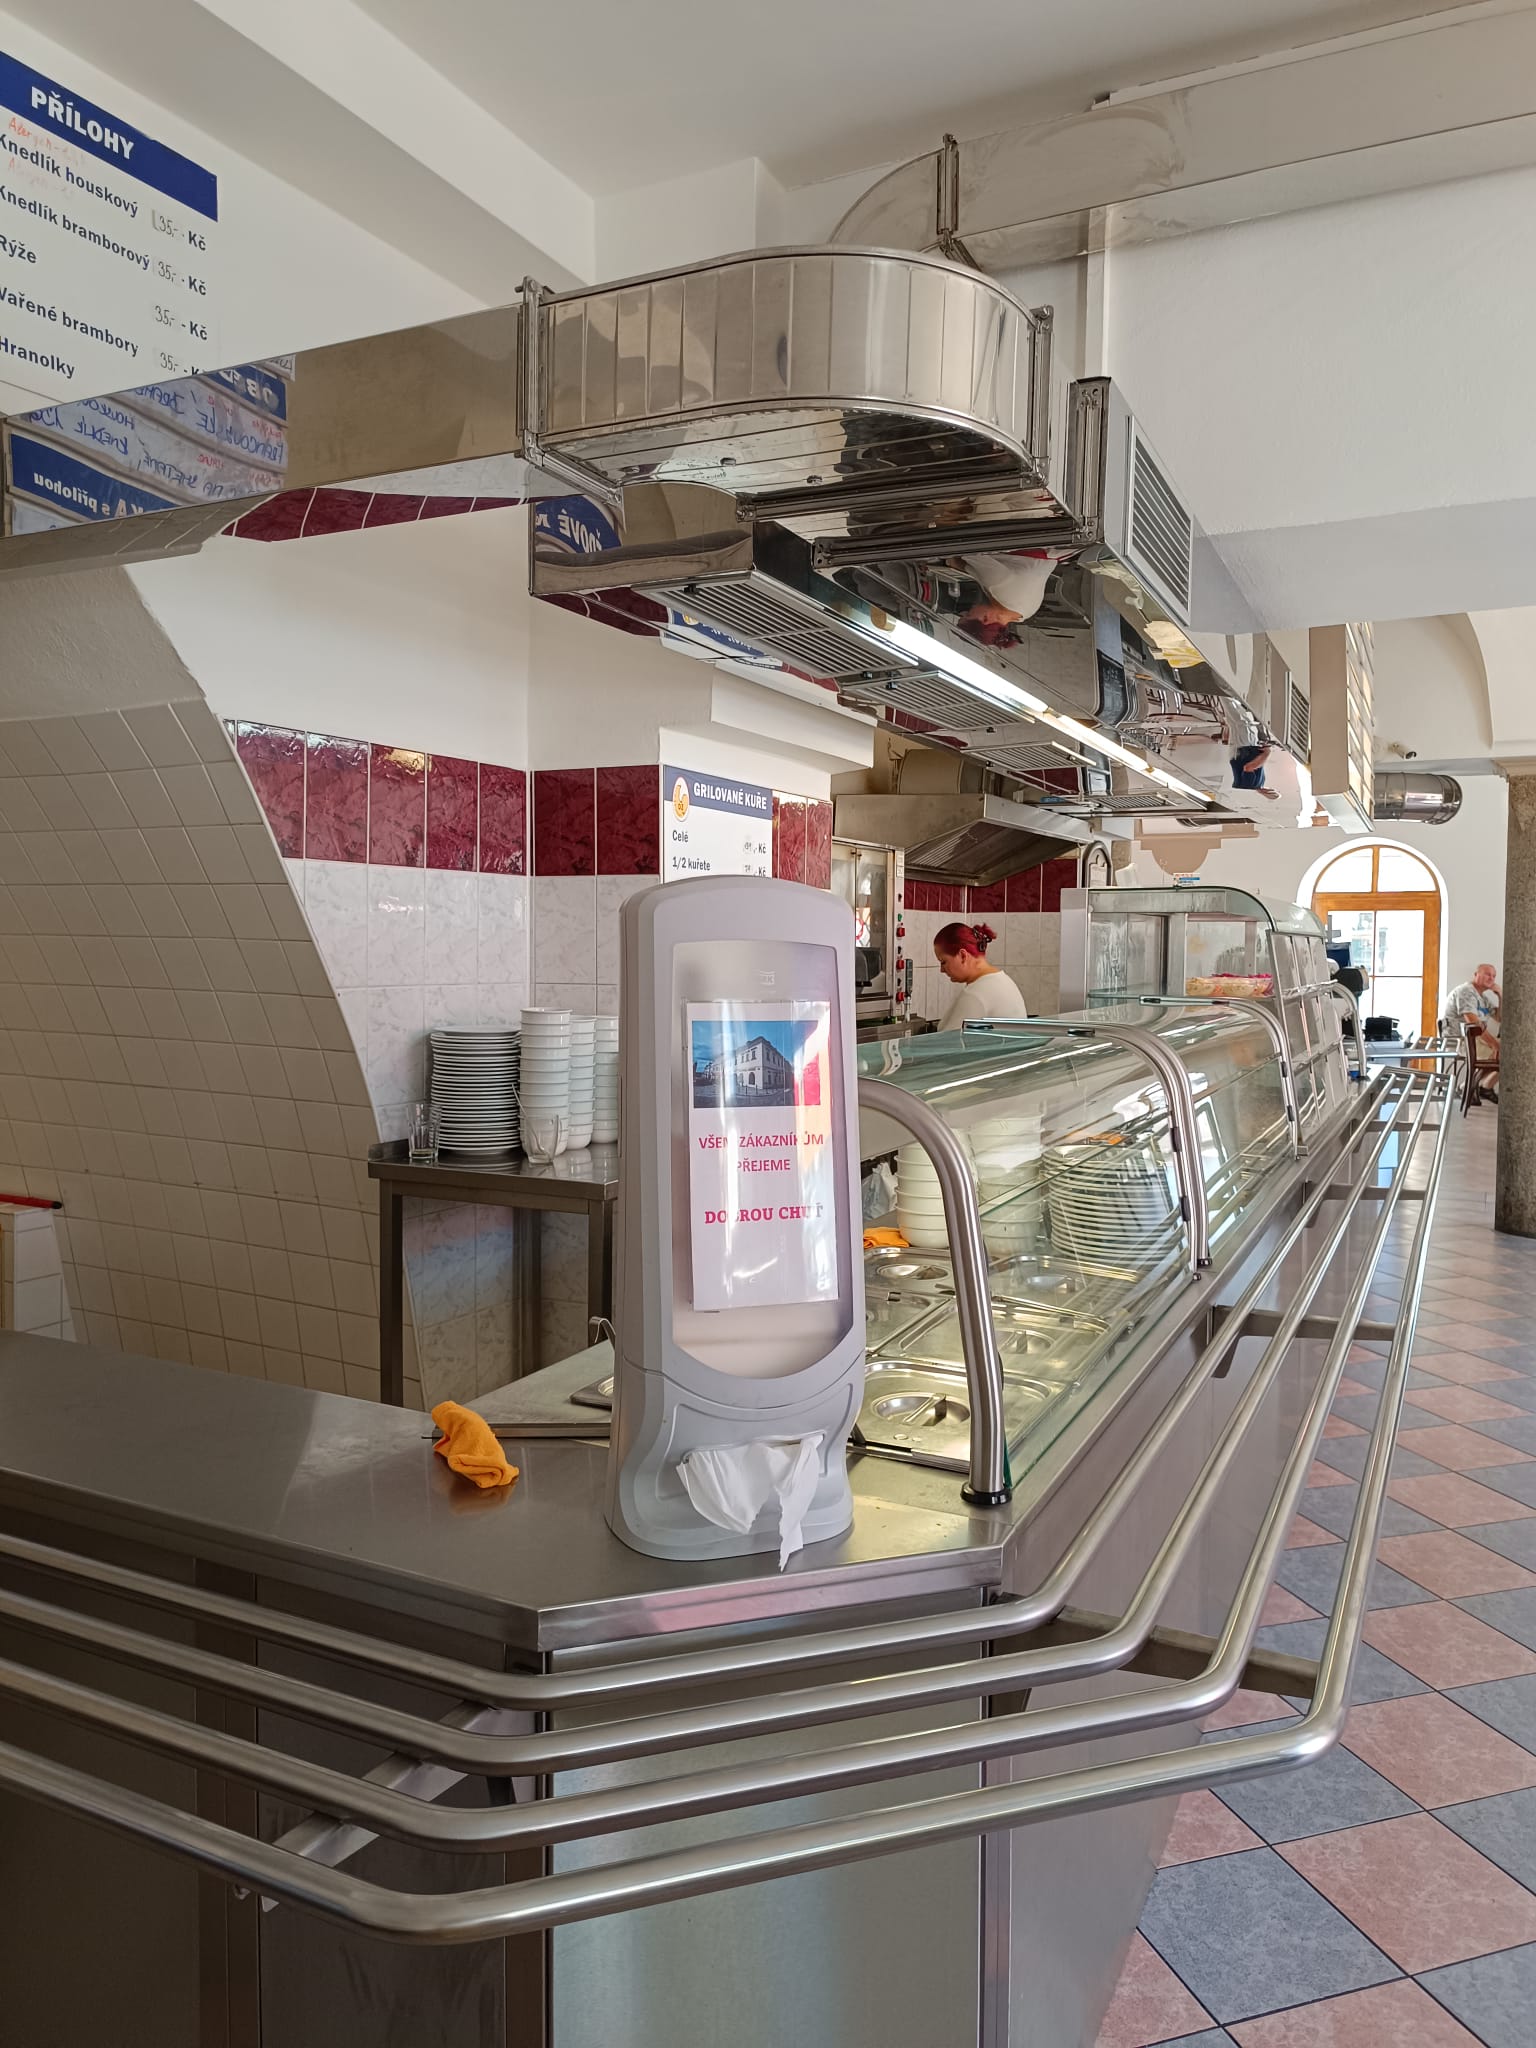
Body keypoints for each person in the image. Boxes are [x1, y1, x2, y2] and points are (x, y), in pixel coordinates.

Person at [933, 922, 1029, 1030]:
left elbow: (950, 1039)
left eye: (943, 962)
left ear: (963, 956)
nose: (942, 970)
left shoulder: (975, 994)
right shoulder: (1003, 980)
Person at [1446, 964, 1501, 1096]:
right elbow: (1474, 1024)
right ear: (1476, 974)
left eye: (1494, 976)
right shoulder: (1466, 991)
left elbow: (1500, 1018)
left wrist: (1500, 995)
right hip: (1462, 1040)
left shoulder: (1482, 997)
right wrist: (1495, 1045)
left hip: (1474, 1039)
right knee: (1507, 1053)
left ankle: (1475, 1087)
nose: (1491, 978)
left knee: (1513, 1050)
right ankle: (1476, 1087)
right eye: (1487, 974)